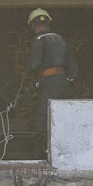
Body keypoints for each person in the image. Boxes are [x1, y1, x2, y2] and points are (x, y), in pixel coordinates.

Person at [26, 8, 78, 159]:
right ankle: (65, 154)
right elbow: (73, 66)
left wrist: (36, 78)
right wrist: (68, 80)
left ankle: (42, 155)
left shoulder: (38, 40)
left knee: (43, 117)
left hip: (49, 84)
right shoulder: (61, 39)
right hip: (63, 83)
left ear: (33, 25)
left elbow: (35, 64)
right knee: (62, 116)